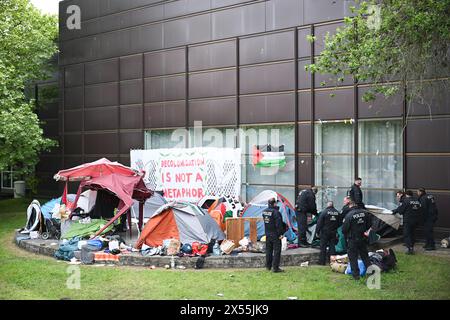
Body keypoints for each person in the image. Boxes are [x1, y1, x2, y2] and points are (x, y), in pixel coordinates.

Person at [342, 201, 372, 280]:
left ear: (351, 205)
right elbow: (369, 224)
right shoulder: (365, 213)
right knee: (365, 256)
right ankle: (371, 272)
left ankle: (356, 276)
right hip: (362, 237)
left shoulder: (349, 215)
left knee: (353, 258)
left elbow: (344, 229)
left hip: (353, 239)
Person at [392, 190, 423, 254]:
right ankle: (411, 246)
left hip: (408, 220)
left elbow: (401, 210)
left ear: (406, 195)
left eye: (398, 196)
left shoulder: (406, 201)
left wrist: (393, 211)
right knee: (413, 234)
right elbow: (420, 210)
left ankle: (409, 249)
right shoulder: (417, 201)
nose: (398, 197)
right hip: (416, 220)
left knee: (407, 234)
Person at [262, 198, 285, 273]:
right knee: (277, 251)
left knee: (269, 250)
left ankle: (268, 266)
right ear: (274, 203)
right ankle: (275, 267)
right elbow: (279, 224)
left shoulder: (264, 211)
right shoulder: (276, 212)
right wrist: (281, 234)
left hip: (268, 233)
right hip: (275, 234)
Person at [316, 201, 342, 265]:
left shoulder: (324, 212)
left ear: (327, 205)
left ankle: (322, 262)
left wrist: (317, 231)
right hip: (333, 232)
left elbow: (319, 223)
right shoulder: (337, 212)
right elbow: (340, 223)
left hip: (325, 232)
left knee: (323, 247)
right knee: (332, 247)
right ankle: (332, 262)